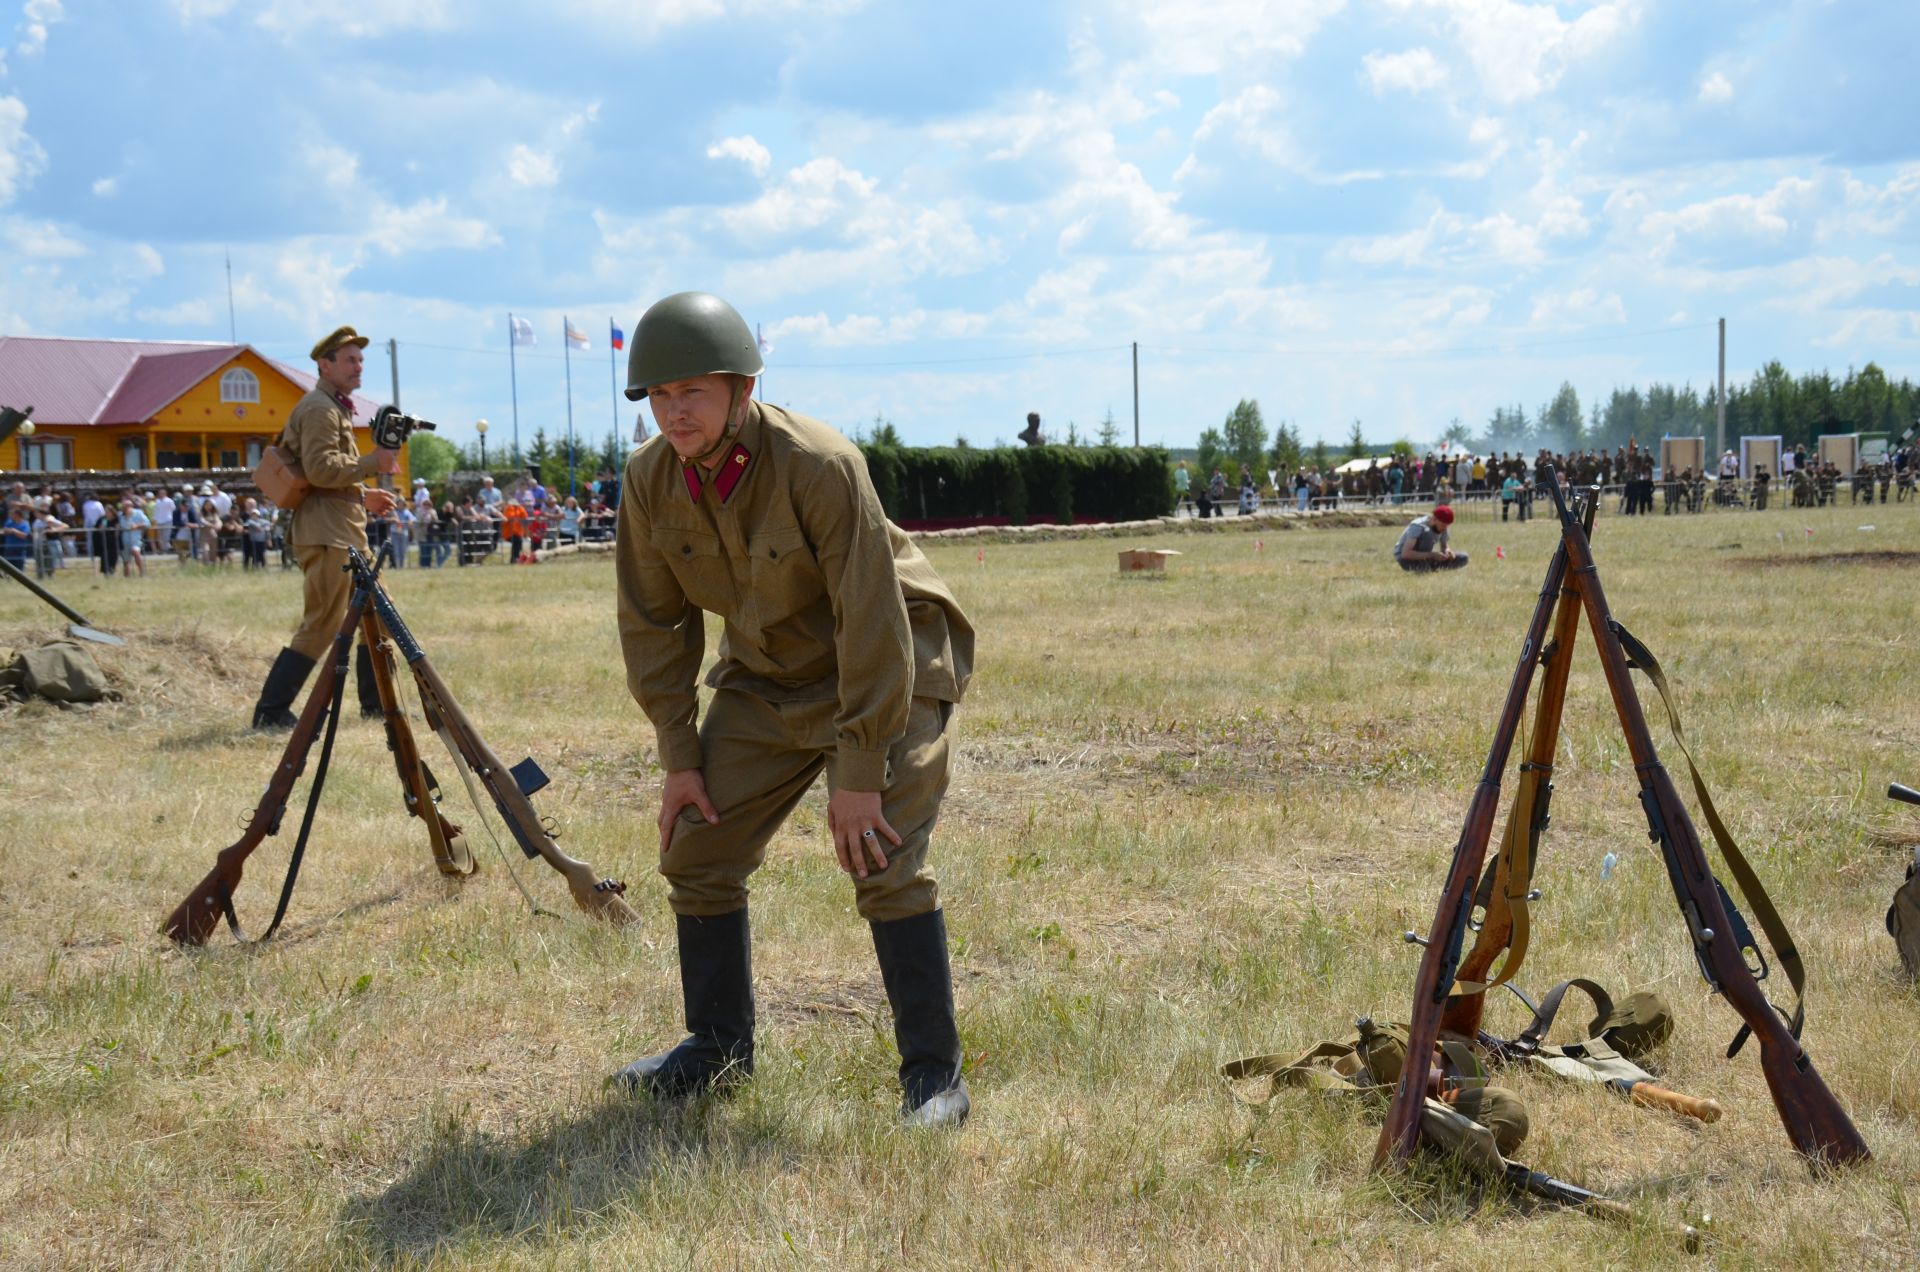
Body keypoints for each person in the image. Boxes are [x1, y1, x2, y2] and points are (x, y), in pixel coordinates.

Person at [611, 292, 975, 1127]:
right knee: (698, 850)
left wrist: (857, 773)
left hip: (892, 667)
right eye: (659, 398)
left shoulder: (819, 463)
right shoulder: (650, 480)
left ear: (742, 387)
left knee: (881, 857)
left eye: (691, 392)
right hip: (769, 675)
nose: (674, 412)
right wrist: (680, 758)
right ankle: (717, 1050)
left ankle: (934, 1077)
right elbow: (653, 624)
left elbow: (872, 620)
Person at [249, 326, 400, 730]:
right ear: (324, 364)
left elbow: (324, 474)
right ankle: (270, 712)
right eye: (350, 359)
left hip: (343, 529)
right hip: (328, 535)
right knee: (322, 624)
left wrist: (363, 494)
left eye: (361, 359)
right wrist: (374, 462)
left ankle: (377, 706)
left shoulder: (333, 407)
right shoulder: (319, 408)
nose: (359, 366)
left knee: (378, 618)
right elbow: (319, 469)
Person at [1392, 503, 1468, 572]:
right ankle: (1429, 567)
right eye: (1443, 526)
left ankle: (1430, 567)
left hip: (1427, 557)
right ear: (1434, 519)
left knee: (1463, 557)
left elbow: (1444, 547)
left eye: (1446, 526)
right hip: (1406, 560)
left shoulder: (1443, 527)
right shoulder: (1418, 526)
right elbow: (1406, 554)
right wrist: (1433, 555)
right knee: (1427, 533)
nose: (1444, 529)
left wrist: (1448, 552)